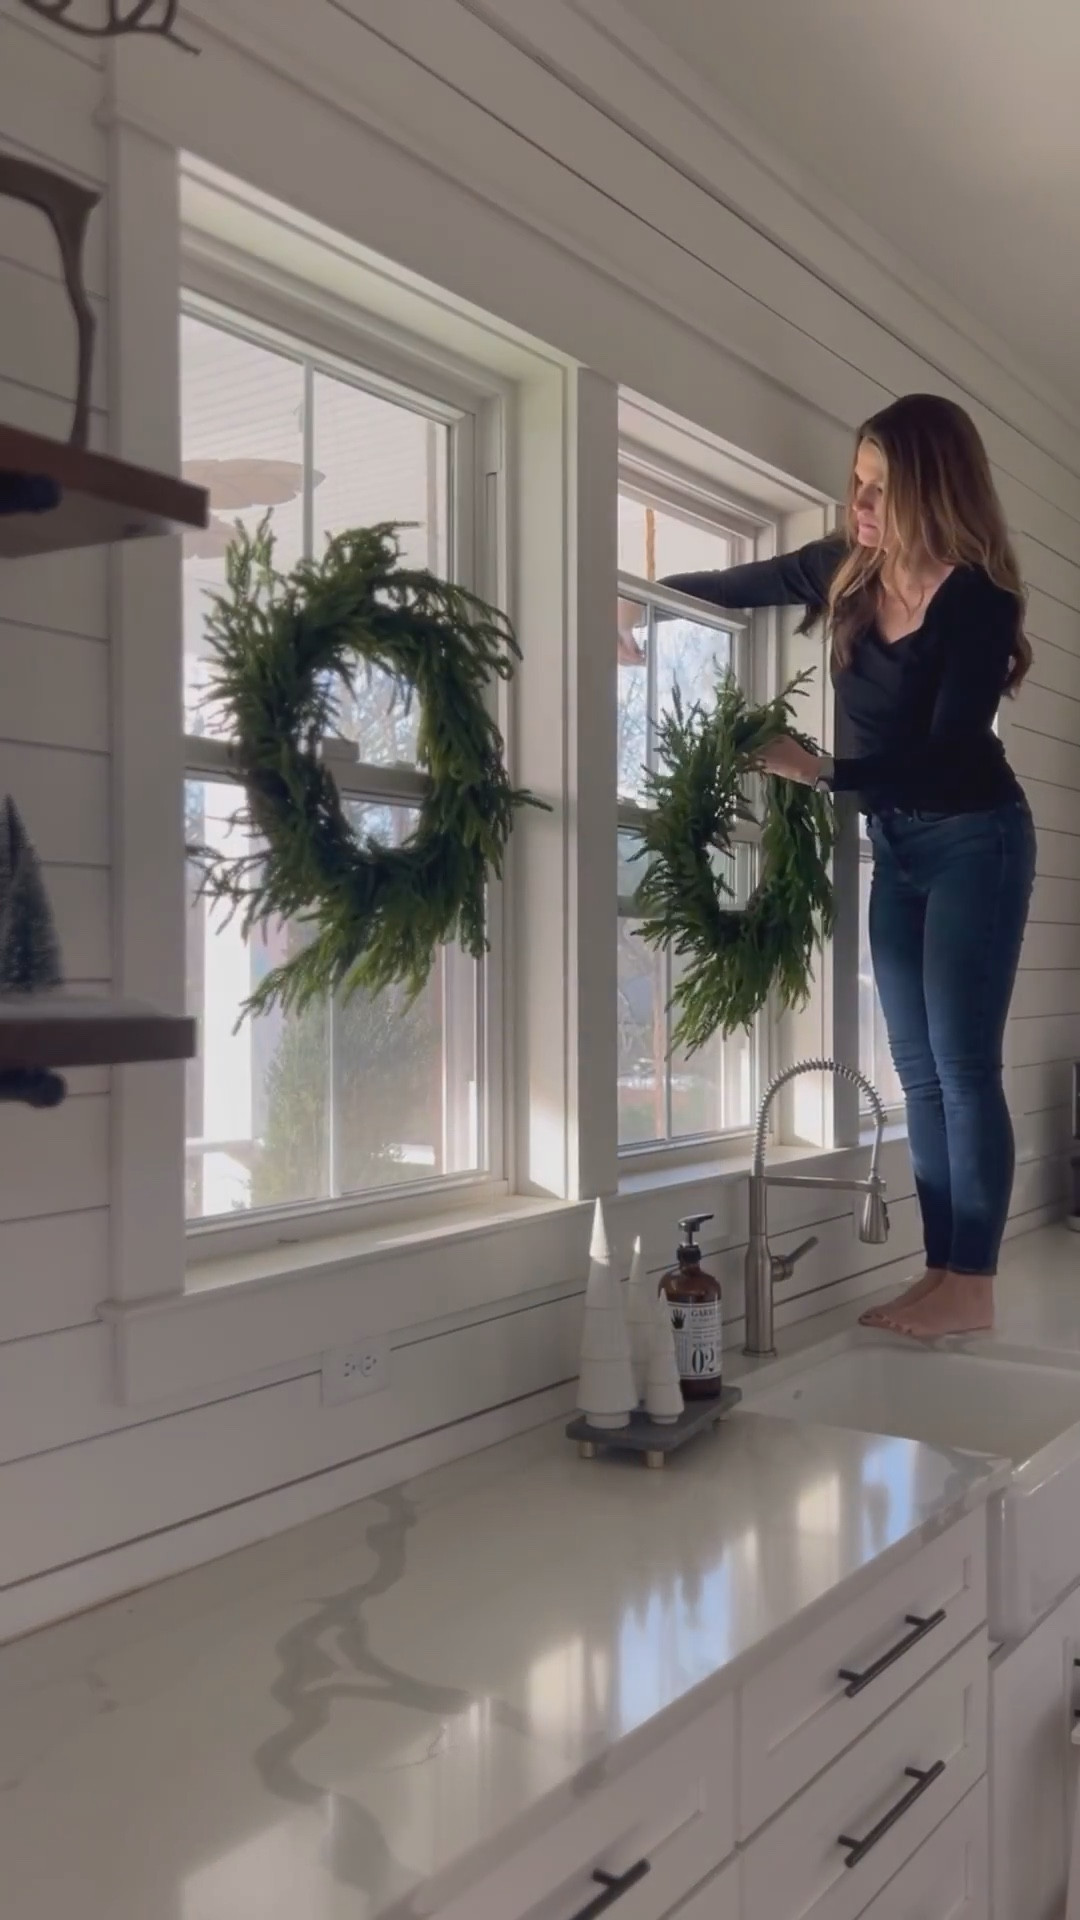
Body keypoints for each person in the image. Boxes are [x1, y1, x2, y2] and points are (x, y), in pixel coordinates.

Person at [661, 393, 1036, 1339]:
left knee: (963, 1065)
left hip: (976, 839)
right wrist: (635, 599)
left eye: (880, 488)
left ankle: (974, 1283)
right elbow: (734, 584)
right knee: (916, 1071)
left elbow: (951, 753)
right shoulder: (844, 570)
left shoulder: (980, 603)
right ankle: (941, 1268)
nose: (858, 504)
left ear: (931, 491)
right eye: (857, 482)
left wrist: (824, 772)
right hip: (897, 846)